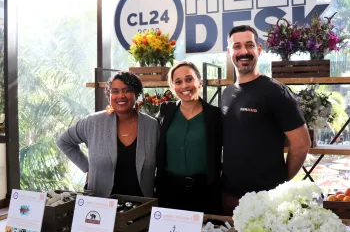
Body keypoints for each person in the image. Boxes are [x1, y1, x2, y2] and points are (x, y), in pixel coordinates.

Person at [221, 25, 311, 215]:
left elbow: (301, 144)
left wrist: (280, 182)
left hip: (266, 200)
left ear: (258, 49)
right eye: (237, 46)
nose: (243, 51)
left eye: (249, 45)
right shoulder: (227, 93)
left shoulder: (275, 91)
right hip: (229, 197)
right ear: (229, 52)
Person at [57, 71, 159, 198]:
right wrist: (88, 168)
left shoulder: (152, 126)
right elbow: (63, 141)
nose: (121, 95)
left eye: (127, 90)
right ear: (109, 96)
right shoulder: (93, 122)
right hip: (100, 204)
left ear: (136, 94)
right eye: (115, 91)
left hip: (142, 204)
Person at [156, 61, 222, 214]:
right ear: (172, 88)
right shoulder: (166, 111)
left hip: (205, 192)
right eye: (178, 82)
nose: (184, 86)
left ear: (199, 82)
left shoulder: (215, 115)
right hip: (169, 192)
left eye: (189, 79)